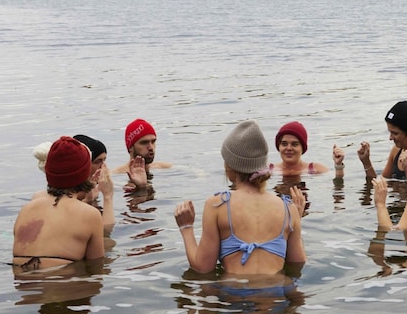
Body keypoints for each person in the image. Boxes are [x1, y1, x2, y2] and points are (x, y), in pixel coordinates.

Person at [174, 120, 307, 275]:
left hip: (234, 294)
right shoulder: (289, 209)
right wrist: (295, 220)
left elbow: (203, 268)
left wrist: (186, 228)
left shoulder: (217, 205)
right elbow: (297, 263)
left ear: (230, 166)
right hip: (276, 295)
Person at [12, 136, 105, 271]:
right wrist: (108, 197)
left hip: (25, 288)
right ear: (84, 175)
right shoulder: (90, 215)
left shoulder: (26, 209)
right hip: (63, 285)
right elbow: (96, 270)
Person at [358, 100, 407, 181]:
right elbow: (381, 183)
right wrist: (366, 162)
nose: (390, 138)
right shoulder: (396, 150)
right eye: (390, 132)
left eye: (395, 133)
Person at [113, 118, 172, 190]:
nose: (151, 147)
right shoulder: (115, 175)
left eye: (153, 141)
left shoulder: (166, 167)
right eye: (144, 143)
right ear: (130, 147)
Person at [270, 121, 343, 177]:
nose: (289, 148)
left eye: (294, 144)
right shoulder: (267, 171)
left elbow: (337, 186)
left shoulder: (316, 169)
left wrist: (338, 166)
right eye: (284, 144)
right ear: (278, 147)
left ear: (303, 148)